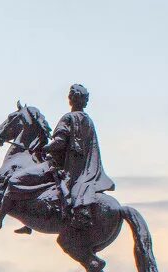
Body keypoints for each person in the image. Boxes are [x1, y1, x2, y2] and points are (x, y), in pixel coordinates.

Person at [43, 83, 115, 228]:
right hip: (87, 165)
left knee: (49, 178)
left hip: (73, 165)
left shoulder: (68, 118)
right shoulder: (88, 120)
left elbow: (60, 142)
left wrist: (44, 148)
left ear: (71, 99)